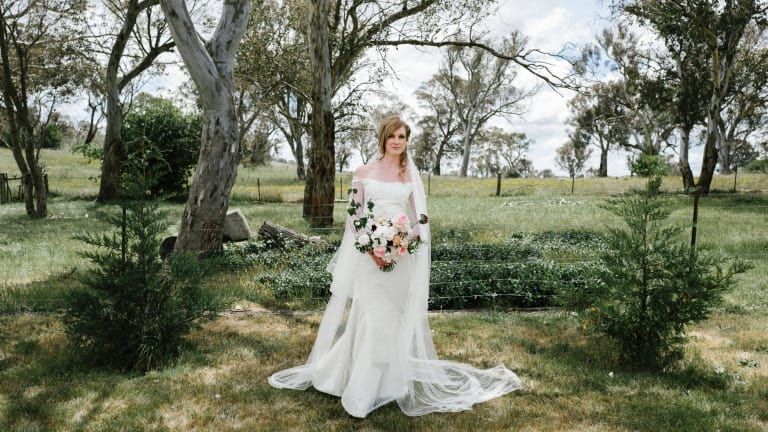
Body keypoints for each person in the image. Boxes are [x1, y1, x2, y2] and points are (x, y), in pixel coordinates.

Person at [268, 115, 522, 417]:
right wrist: (371, 245)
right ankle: (361, 393)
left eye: (402, 137)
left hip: (402, 259)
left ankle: (381, 381)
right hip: (368, 257)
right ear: (383, 138)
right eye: (393, 136)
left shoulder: (410, 177)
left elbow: (421, 219)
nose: (397, 141)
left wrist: (403, 242)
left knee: (390, 320)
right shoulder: (363, 171)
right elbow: (354, 214)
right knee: (373, 318)